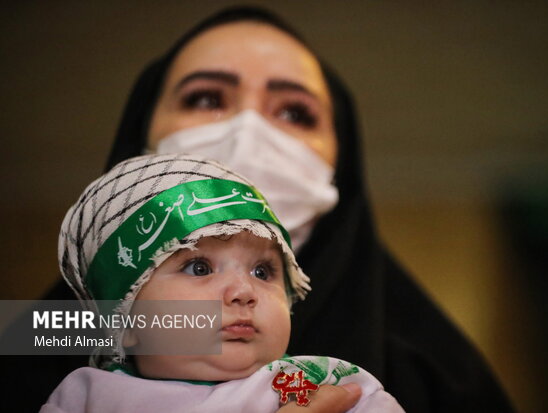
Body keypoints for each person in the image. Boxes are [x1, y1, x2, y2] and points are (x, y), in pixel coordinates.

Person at [15, 6, 514, 412]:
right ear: (139, 138)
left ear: (344, 163)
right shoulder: (47, 332)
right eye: (206, 98)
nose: (248, 129)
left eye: (295, 112)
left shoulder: (440, 378)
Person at [41, 154, 404, 412]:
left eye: (263, 272)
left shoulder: (311, 385)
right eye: (199, 268)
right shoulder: (85, 397)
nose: (244, 292)